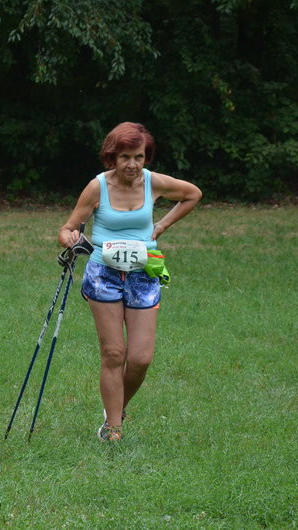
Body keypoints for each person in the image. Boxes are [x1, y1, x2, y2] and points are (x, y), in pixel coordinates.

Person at [58, 122, 202, 442]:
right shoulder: (98, 187)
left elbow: (193, 194)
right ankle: (113, 428)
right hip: (103, 273)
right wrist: (70, 238)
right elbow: (68, 227)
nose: (132, 164)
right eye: (125, 157)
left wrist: (161, 226)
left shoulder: (153, 182)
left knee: (140, 358)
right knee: (113, 353)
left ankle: (117, 408)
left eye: (139, 156)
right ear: (113, 157)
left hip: (144, 272)